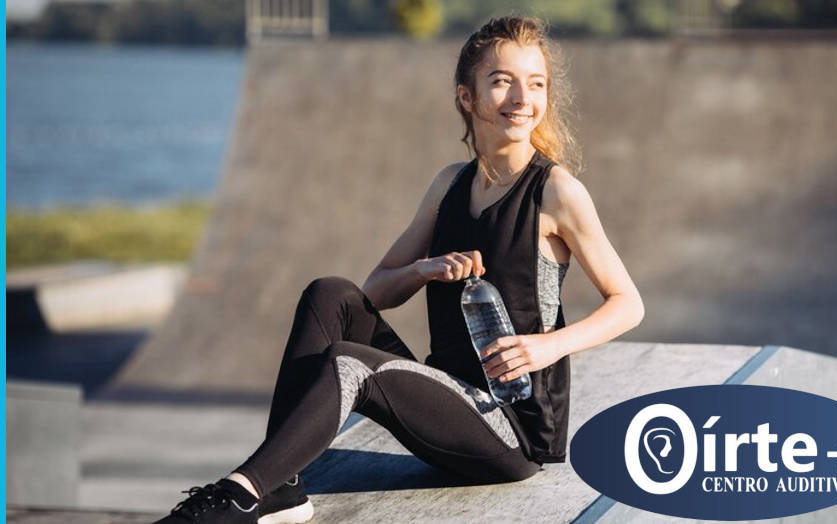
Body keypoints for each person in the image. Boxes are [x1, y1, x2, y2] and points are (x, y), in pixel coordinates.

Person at [153, 15, 643, 524]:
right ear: (467, 98)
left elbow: (628, 303)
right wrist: (425, 268)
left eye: (535, 83)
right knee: (330, 294)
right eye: (502, 82)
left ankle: (240, 495)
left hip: (511, 429)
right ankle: (282, 490)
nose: (522, 98)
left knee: (350, 363)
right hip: (446, 398)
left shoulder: (555, 191)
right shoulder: (450, 185)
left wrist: (546, 345)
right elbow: (374, 293)